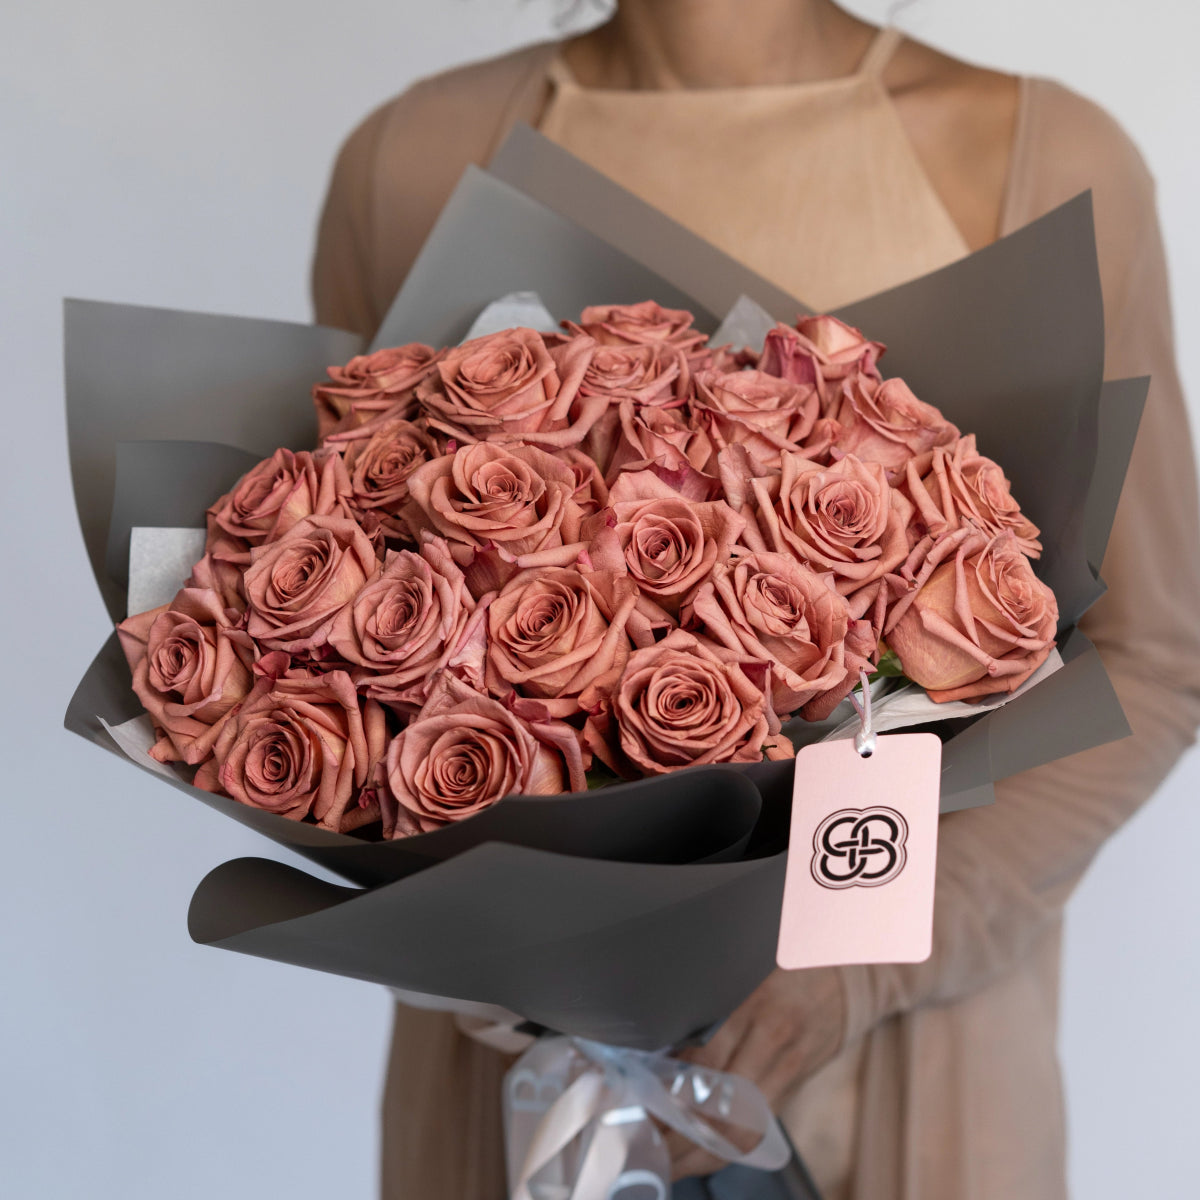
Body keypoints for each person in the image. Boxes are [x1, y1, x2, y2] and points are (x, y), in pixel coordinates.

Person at [310, 2, 1200, 1197]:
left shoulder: (1046, 158)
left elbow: (1156, 651)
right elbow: (337, 627)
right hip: (531, 1095)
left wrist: (860, 965)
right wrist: (519, 945)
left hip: (905, 1077)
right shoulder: (409, 160)